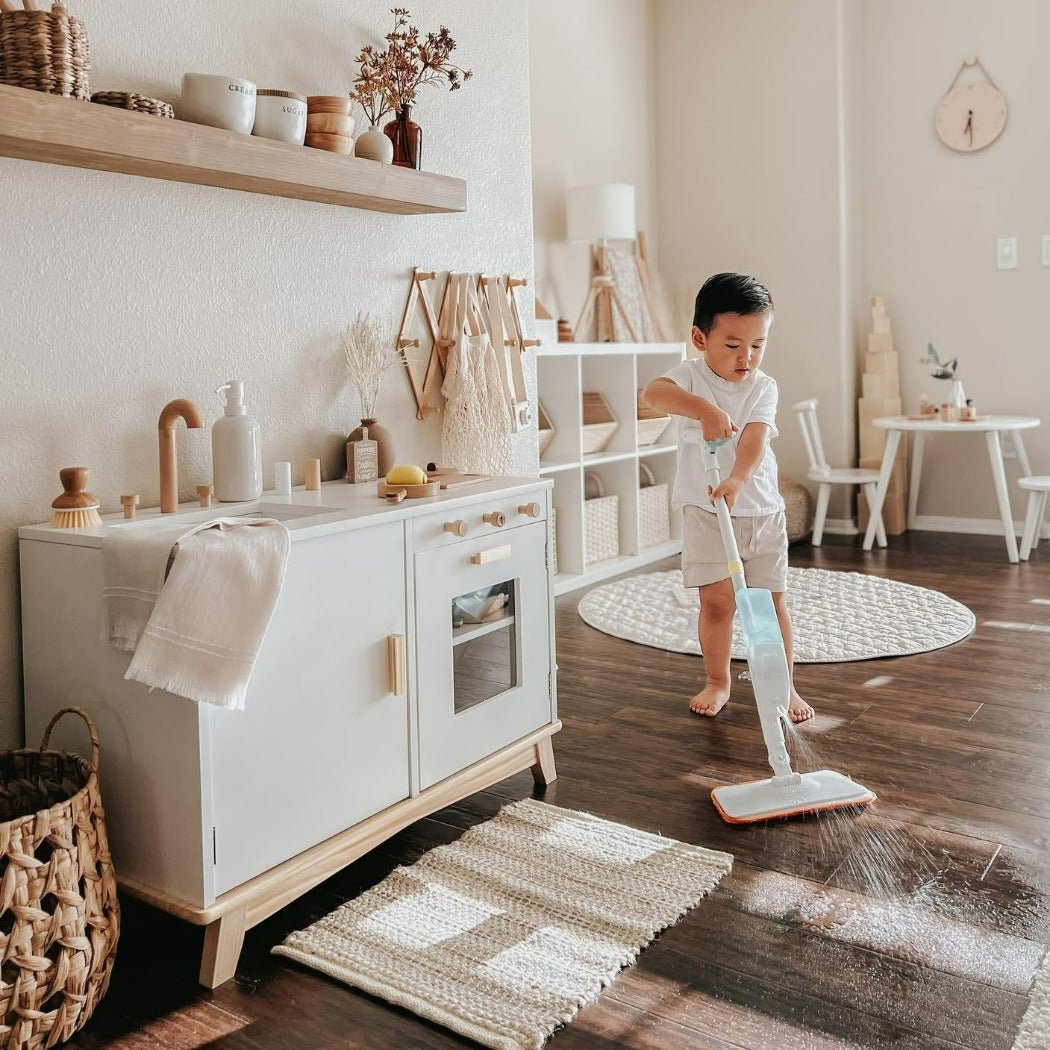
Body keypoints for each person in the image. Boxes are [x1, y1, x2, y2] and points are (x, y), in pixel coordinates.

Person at [642, 272, 813, 722]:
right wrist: (704, 409)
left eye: (758, 345)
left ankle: (785, 686)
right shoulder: (690, 378)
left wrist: (737, 478)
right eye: (734, 345)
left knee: (769, 603)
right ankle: (718, 680)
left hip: (759, 512)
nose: (747, 358)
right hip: (705, 512)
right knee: (716, 602)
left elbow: (755, 438)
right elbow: (653, 394)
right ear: (700, 338)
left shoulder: (763, 387)